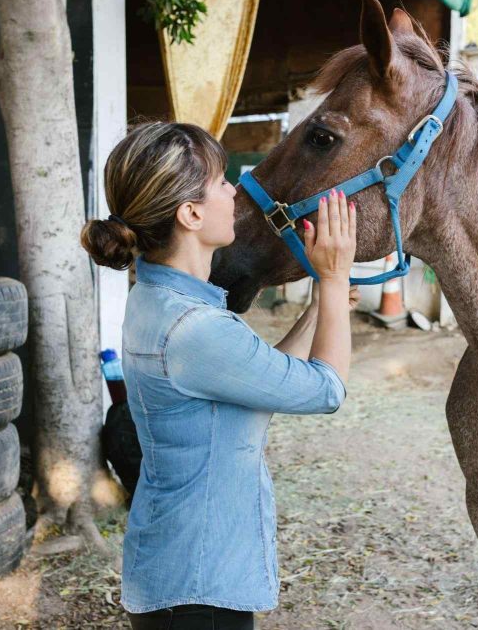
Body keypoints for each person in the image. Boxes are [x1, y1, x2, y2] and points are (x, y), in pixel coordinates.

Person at [80, 122, 358, 630]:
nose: (235, 191)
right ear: (190, 213)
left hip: (182, 574)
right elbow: (325, 389)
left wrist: (320, 303)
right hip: (197, 593)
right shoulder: (194, 329)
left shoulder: (162, 301)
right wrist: (337, 281)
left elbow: (265, 379)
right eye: (222, 182)